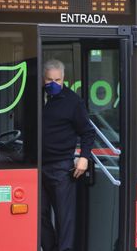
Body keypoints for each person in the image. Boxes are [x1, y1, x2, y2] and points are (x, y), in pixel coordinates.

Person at [41, 59, 95, 251]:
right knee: (39, 216)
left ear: (63, 79)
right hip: (36, 167)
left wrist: (84, 157)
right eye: (49, 80)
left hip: (61, 167)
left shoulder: (73, 102)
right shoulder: (35, 98)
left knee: (65, 218)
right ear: (42, 78)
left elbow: (88, 132)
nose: (53, 84)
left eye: (58, 80)